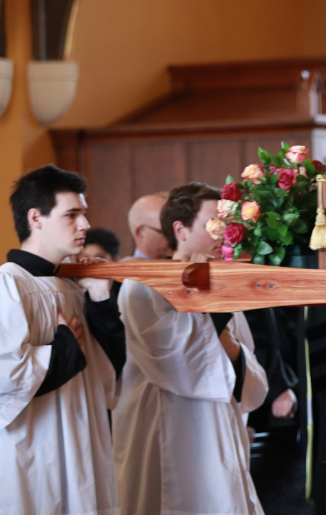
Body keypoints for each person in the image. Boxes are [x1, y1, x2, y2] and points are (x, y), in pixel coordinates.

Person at [0, 165, 125, 514]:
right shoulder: (3, 287)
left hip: (76, 448)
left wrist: (101, 300)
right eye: (72, 215)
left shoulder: (70, 288)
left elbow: (106, 377)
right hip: (28, 454)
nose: (85, 225)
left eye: (84, 214)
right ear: (36, 217)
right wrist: (64, 345)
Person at [113, 182, 269, 515]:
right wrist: (218, 334)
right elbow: (176, 362)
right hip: (167, 423)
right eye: (213, 224)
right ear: (180, 229)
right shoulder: (142, 284)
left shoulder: (220, 284)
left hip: (220, 425)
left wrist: (228, 346)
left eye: (226, 225)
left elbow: (246, 363)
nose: (223, 234)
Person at [126, 192, 170, 260]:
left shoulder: (184, 264)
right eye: (166, 232)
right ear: (141, 233)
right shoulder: (122, 269)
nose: (174, 238)